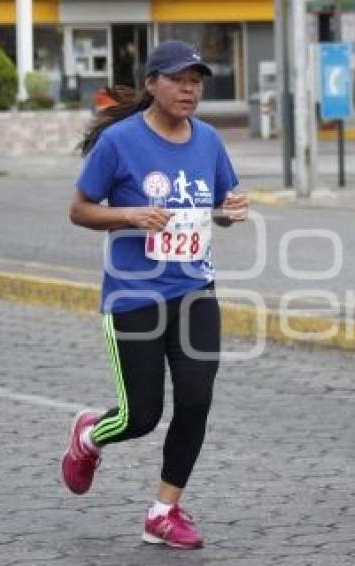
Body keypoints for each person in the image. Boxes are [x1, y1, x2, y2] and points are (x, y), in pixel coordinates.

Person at [61, 40, 249, 550]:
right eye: (178, 79)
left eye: (197, 80)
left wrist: (231, 210)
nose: (190, 89)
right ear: (152, 84)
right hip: (134, 298)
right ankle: (88, 435)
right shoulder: (120, 142)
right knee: (140, 417)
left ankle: (164, 511)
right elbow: (79, 209)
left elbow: (219, 206)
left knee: (196, 398)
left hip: (195, 292)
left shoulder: (208, 140)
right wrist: (127, 215)